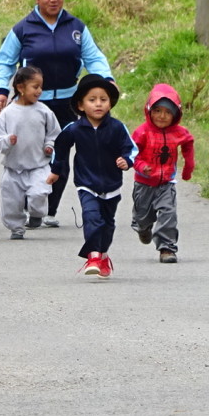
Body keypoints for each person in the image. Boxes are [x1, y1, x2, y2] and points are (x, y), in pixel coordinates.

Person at [0, 0, 115, 227]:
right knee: (31, 155)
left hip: (68, 104)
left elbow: (94, 57)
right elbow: (4, 61)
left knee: (59, 155)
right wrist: (1, 90)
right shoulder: (23, 29)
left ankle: (48, 210)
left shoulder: (76, 27)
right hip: (32, 105)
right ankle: (26, 204)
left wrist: (106, 78)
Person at [48, 74, 136, 278]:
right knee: (91, 217)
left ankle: (103, 255)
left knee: (107, 223)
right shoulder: (74, 129)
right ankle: (94, 256)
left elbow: (131, 149)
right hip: (86, 183)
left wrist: (126, 160)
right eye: (92, 99)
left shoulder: (117, 127)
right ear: (80, 105)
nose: (98, 104)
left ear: (110, 103)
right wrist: (55, 171)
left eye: (103, 100)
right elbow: (59, 148)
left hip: (112, 184)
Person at [130, 83, 196, 264]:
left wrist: (188, 167)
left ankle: (167, 248)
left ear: (176, 114)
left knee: (168, 213)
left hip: (166, 183)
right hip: (143, 184)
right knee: (143, 217)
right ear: (149, 110)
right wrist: (142, 166)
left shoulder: (179, 132)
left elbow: (189, 144)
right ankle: (143, 228)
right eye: (157, 110)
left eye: (168, 112)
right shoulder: (142, 132)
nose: (162, 116)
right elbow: (131, 153)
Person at [0, 66, 61, 240]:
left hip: (39, 165)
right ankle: (16, 228)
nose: (39, 91)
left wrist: (49, 145)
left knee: (39, 193)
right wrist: (8, 141)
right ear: (21, 88)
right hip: (13, 168)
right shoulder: (7, 114)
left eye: (40, 86)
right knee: (11, 202)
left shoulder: (44, 111)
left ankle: (37, 214)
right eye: (35, 87)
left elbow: (55, 133)